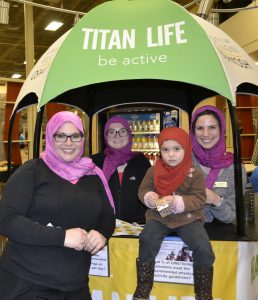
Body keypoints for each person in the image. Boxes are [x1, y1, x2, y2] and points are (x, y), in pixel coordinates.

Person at [0, 111, 116, 300]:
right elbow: (6, 220)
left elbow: (107, 215)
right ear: (50, 137)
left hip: (75, 284)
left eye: (75, 136)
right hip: (29, 282)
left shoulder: (92, 174)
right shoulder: (32, 171)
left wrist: (102, 232)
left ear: (83, 138)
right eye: (61, 135)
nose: (68, 143)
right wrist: (62, 237)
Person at [133, 127, 215, 300]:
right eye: (165, 149)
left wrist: (179, 202)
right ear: (160, 150)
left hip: (188, 219)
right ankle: (143, 287)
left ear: (186, 149)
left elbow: (200, 199)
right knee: (146, 239)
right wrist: (149, 197)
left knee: (203, 247)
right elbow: (143, 190)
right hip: (159, 217)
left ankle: (203, 293)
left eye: (176, 149)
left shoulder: (195, 173)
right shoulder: (153, 171)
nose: (171, 155)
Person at [190, 105, 247, 223]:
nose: (205, 134)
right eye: (200, 128)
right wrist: (155, 201)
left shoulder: (234, 167)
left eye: (212, 127)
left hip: (219, 238)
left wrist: (215, 200)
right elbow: (162, 207)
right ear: (193, 132)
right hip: (180, 235)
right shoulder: (183, 160)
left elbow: (230, 217)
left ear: (222, 129)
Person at [91, 116, 151, 224]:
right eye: (112, 132)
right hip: (102, 229)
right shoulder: (94, 162)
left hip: (136, 228)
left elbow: (156, 192)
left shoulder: (141, 162)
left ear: (129, 135)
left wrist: (167, 217)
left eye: (122, 131)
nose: (117, 136)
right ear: (105, 135)